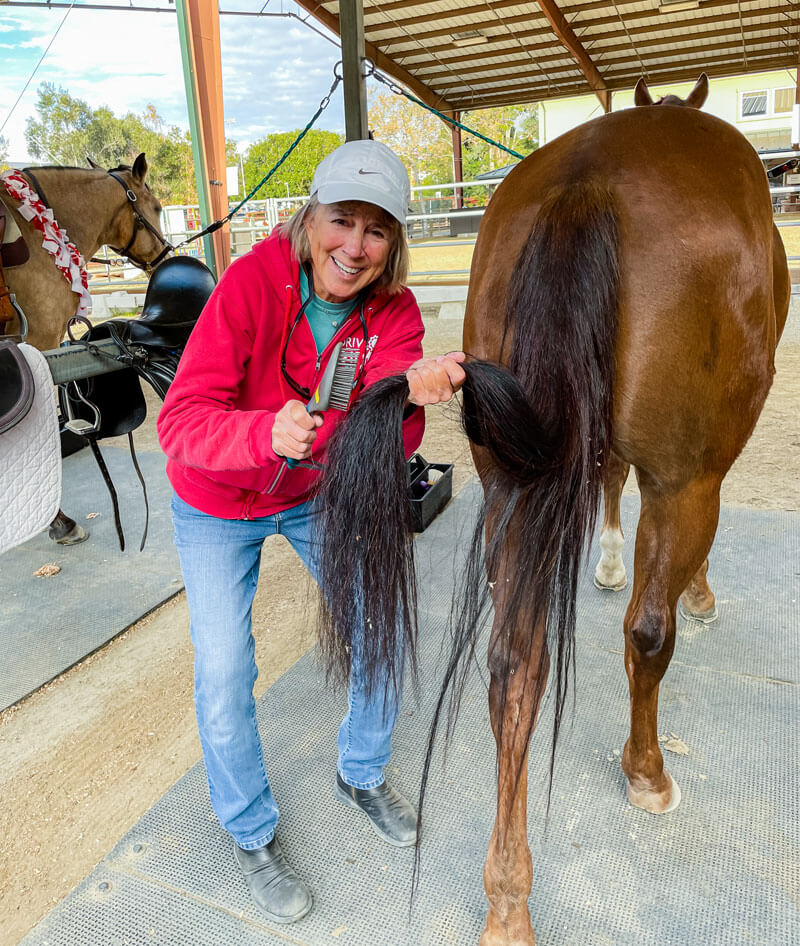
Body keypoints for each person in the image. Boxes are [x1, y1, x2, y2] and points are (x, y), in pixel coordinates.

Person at [157, 139, 466, 925]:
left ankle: (361, 772)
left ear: (394, 242)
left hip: (310, 494)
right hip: (216, 498)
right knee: (225, 668)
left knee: (380, 624)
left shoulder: (392, 314)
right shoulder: (250, 284)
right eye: (341, 221)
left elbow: (385, 444)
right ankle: (251, 832)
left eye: (376, 229)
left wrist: (408, 398)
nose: (354, 247)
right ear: (310, 219)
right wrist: (261, 433)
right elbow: (180, 422)